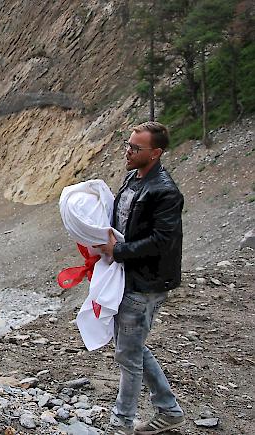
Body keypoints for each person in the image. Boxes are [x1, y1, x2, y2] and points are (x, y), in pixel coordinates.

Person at [96, 121, 185, 435]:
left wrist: (117, 250)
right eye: (128, 144)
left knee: (128, 354)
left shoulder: (165, 191)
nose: (128, 151)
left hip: (145, 284)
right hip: (127, 276)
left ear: (156, 153)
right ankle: (169, 410)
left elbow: (163, 241)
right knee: (131, 348)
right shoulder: (133, 177)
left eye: (136, 148)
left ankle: (120, 423)